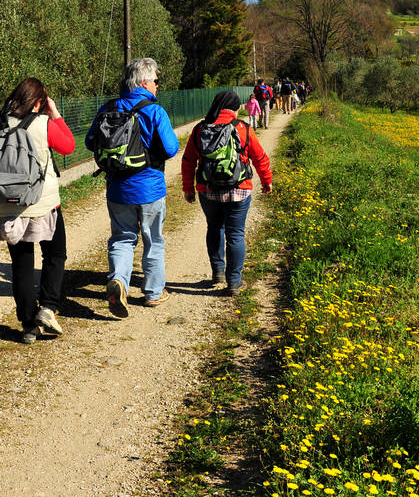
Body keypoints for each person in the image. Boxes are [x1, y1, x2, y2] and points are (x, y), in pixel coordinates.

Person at [90, 58, 177, 312]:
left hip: (117, 189)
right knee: (153, 240)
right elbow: (171, 148)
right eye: (156, 81)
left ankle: (119, 280)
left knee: (122, 239)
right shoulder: (154, 111)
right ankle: (153, 292)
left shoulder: (108, 108)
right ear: (144, 82)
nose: (157, 86)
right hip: (150, 189)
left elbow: (90, 141)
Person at [1, 79, 73, 344]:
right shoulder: (44, 124)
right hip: (44, 204)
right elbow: (68, 146)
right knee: (55, 255)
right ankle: (48, 307)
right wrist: (55, 114)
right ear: (39, 101)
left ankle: (28, 325)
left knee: (22, 265)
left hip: (9, 205)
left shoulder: (2, 122)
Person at [182, 90, 272, 292]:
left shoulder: (200, 129)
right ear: (233, 108)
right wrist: (267, 181)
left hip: (208, 190)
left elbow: (188, 161)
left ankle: (218, 272)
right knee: (236, 234)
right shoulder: (242, 128)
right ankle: (234, 282)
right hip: (239, 190)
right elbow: (260, 157)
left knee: (214, 228)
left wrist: (188, 188)